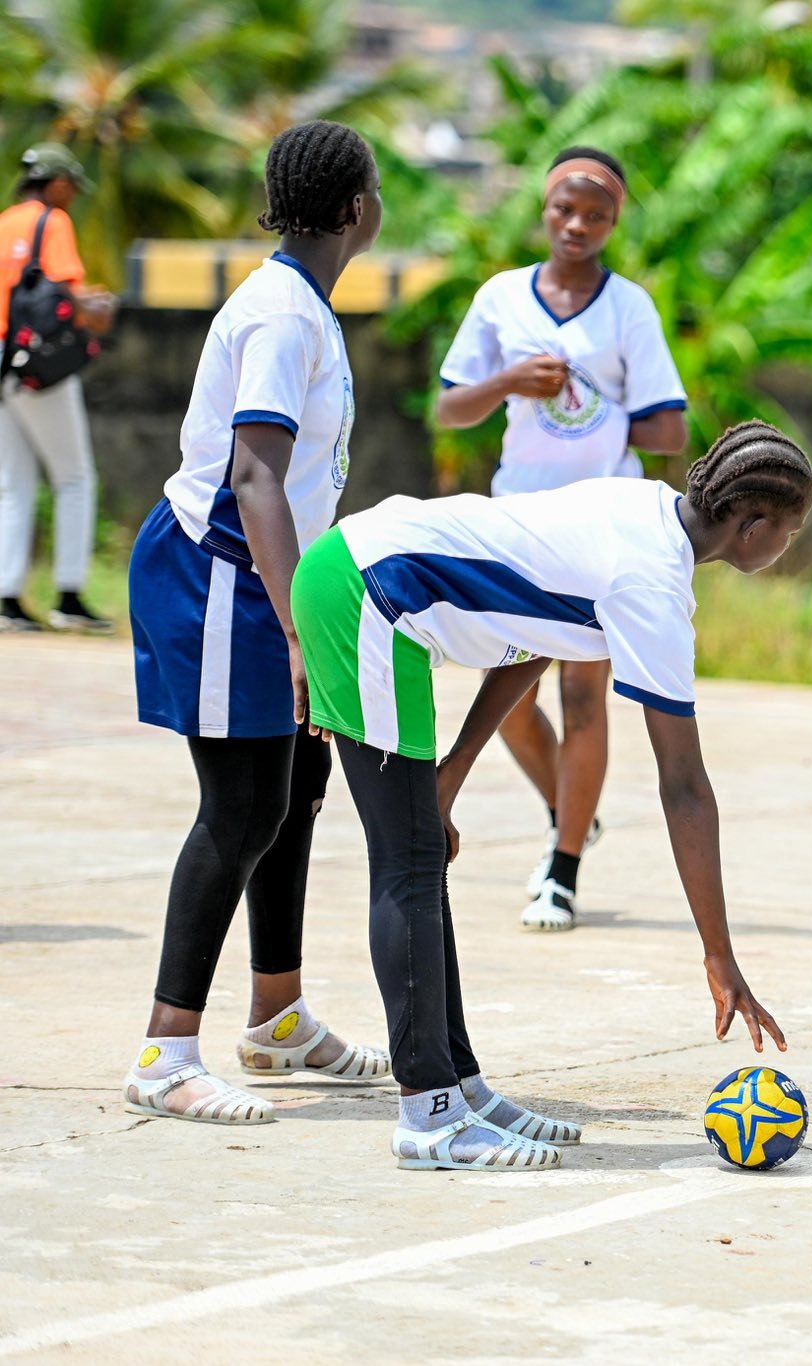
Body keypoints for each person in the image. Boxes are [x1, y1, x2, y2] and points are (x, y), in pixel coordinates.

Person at [291, 421, 811, 1170]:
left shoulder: (645, 511)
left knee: (420, 854)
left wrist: (451, 774)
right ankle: (429, 1117)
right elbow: (685, 787)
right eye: (790, 533)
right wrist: (719, 955)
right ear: (753, 524)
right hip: (368, 596)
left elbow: (537, 636)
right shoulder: (651, 583)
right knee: (406, 864)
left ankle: (459, 1085)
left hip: (367, 574)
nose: (786, 547)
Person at [123, 121, 390, 1125]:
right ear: (358, 208)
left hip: (261, 576)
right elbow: (255, 476)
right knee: (239, 808)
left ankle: (276, 1015)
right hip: (220, 577)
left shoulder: (303, 304)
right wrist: (294, 632)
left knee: (297, 782)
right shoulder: (283, 316)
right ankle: (166, 1048)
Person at [436, 146, 689, 931]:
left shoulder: (628, 309)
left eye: (596, 214)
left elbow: (671, 426)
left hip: (600, 522)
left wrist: (602, 408)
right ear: (543, 212)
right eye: (564, 211)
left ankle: (562, 865)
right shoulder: (501, 298)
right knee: (506, 691)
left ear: (614, 222)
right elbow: (451, 410)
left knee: (585, 693)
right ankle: (568, 805)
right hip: (516, 517)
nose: (577, 225)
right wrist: (512, 382)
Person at [0, 143, 118, 633]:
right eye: (70, 184)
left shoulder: (5, 221)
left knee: (12, 482)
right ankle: (68, 596)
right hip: (36, 366)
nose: (72, 195)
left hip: (2, 358)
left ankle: (7, 600)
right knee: (74, 478)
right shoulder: (53, 222)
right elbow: (65, 290)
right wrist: (98, 305)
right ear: (55, 181)